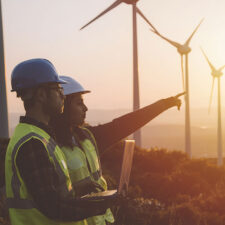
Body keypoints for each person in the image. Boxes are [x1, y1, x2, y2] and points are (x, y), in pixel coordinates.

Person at [50, 75, 184, 225]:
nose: (85, 108)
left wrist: (164, 104)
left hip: (103, 220)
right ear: (63, 106)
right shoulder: (50, 146)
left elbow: (125, 124)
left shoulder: (88, 137)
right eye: (79, 103)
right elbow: (51, 199)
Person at [5, 59, 114, 225]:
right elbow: (53, 206)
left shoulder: (39, 136)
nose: (63, 95)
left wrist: (77, 188)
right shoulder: (32, 143)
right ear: (41, 95)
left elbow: (45, 195)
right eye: (58, 89)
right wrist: (100, 205)